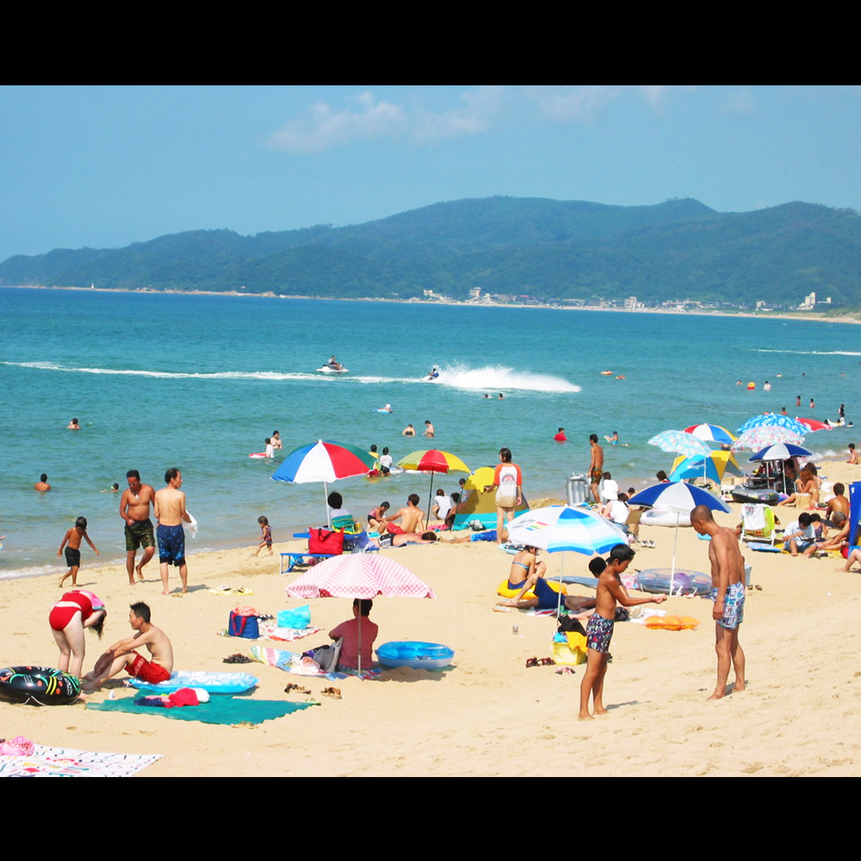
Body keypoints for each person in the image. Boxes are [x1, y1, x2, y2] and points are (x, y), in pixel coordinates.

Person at [578, 544, 666, 719]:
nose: (626, 567)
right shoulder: (608, 578)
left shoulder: (614, 575)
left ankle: (598, 706)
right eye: (625, 564)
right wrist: (650, 598)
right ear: (616, 561)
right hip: (599, 624)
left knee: (602, 668)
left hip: (607, 624)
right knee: (592, 670)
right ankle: (583, 711)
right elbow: (625, 601)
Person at [690, 505, 747, 700]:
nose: (696, 530)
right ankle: (739, 683)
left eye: (695, 526)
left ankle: (719, 690)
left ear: (701, 522)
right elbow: (740, 561)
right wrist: (742, 587)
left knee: (722, 645)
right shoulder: (729, 533)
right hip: (736, 589)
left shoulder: (718, 538)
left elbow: (723, 569)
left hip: (728, 592)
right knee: (733, 642)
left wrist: (720, 600)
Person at [83, 602, 173, 690]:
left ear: (140, 619)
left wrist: (106, 661)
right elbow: (121, 643)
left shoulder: (152, 633)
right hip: (154, 668)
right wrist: (105, 655)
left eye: (131, 617)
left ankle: (97, 682)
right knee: (122, 652)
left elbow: (125, 648)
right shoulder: (146, 631)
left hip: (161, 674)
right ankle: (96, 674)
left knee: (126, 654)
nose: (129, 621)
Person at [497, 546, 596, 613]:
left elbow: (581, 610)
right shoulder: (592, 601)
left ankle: (513, 601)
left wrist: (581, 613)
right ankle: (514, 601)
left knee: (531, 602)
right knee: (534, 584)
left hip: (555, 601)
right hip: (556, 596)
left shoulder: (583, 606)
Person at [48, 589, 107, 679]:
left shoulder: (73, 593)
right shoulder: (99, 610)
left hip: (54, 612)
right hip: (71, 613)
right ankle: (73, 685)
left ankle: (60, 681)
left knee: (64, 652)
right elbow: (100, 613)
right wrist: (76, 627)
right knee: (79, 655)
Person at [154, 467, 192, 595]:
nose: (181, 480)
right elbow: (182, 513)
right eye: (179, 478)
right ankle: (184, 587)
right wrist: (190, 522)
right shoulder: (180, 495)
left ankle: (166, 589)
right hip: (176, 528)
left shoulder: (158, 494)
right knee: (180, 559)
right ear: (172, 480)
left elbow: (156, 514)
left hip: (163, 528)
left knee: (163, 560)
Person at [120, 469, 157, 585]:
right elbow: (121, 510)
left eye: (134, 483)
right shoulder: (127, 493)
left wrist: (160, 519)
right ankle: (131, 578)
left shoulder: (149, 490)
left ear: (139, 480)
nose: (131, 486)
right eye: (129, 484)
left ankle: (139, 567)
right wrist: (127, 519)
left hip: (146, 524)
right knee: (131, 553)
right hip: (131, 526)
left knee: (150, 550)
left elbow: (156, 505)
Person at [329, 599, 378, 673]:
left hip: (346, 667)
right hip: (367, 667)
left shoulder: (346, 625)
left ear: (356, 607)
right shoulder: (374, 627)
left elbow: (331, 634)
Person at [484, 447, 522, 544]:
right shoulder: (516, 468)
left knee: (500, 519)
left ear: (504, 457)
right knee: (511, 518)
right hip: (511, 496)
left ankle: (499, 540)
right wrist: (520, 496)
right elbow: (519, 483)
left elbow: (496, 483)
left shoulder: (499, 467)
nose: (499, 457)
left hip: (501, 495)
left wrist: (489, 489)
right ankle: (513, 539)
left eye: (500, 455)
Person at [57, 515, 99, 587]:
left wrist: (95, 549)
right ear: (75, 526)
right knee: (75, 568)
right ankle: (74, 583)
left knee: (73, 570)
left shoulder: (83, 532)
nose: (80, 531)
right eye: (78, 529)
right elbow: (64, 541)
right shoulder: (71, 531)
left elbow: (88, 540)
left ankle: (62, 578)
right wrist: (60, 550)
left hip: (76, 552)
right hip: (69, 551)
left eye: (81, 529)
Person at [588, 434, 604, 504]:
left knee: (593, 489)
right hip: (600, 470)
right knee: (593, 488)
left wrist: (589, 471)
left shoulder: (593, 448)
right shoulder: (600, 448)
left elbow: (593, 461)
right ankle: (598, 502)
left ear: (591, 440)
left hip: (595, 470)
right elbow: (603, 460)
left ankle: (599, 504)